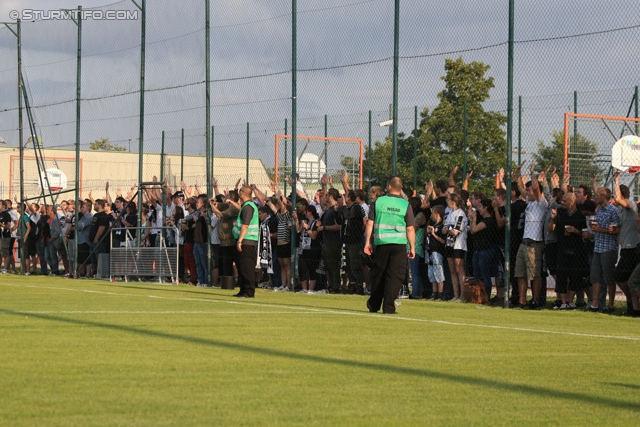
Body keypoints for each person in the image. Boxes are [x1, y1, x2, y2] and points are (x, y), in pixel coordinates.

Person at [364, 176, 415, 314]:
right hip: (399, 244)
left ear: (389, 187)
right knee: (395, 275)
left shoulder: (378, 202)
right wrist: (412, 247)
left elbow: (370, 223)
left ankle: (374, 304)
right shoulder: (406, 205)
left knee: (378, 274)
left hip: (381, 243)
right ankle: (388, 306)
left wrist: (368, 242)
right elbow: (410, 228)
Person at [513, 163, 548, 309]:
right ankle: (522, 300)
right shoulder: (530, 202)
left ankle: (535, 300)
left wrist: (533, 173)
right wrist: (519, 172)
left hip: (534, 243)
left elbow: (536, 189)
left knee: (534, 274)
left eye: (530, 190)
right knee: (520, 273)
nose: (527, 192)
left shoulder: (541, 203)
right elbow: (520, 186)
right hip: (524, 243)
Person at [586, 187, 620, 312]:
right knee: (595, 277)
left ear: (604, 196)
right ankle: (595, 304)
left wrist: (601, 229)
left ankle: (610, 305)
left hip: (608, 248)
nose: (595, 197)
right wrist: (594, 228)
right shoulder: (599, 209)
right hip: (598, 247)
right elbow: (597, 226)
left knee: (608, 277)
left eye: (597, 195)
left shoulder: (613, 210)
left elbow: (616, 229)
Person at [233, 185, 259, 298]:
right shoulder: (245, 206)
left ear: (243, 193)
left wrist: (240, 241)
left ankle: (249, 291)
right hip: (245, 240)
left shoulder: (248, 207)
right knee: (242, 267)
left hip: (247, 241)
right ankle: (243, 290)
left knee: (247, 267)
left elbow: (245, 225)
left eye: (240, 191)